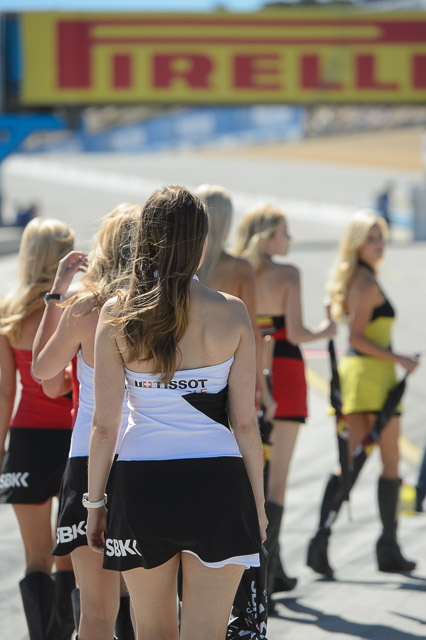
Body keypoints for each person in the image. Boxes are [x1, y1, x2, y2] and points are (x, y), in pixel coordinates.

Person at [85, 186, 266, 640]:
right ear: (202, 243)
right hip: (219, 483)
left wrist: (94, 505)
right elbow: (245, 423)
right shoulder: (232, 312)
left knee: (153, 632)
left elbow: (105, 426)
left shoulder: (118, 312)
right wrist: (259, 507)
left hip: (142, 483)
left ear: (144, 239)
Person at [32, 204, 141, 640]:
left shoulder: (85, 307)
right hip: (148, 456)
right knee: (153, 612)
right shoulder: (164, 307)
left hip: (87, 459)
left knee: (96, 614)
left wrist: (56, 295)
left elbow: (42, 370)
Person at [307, 209, 419, 578]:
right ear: (356, 244)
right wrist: (399, 358)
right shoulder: (365, 282)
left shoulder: (363, 277)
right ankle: (369, 545)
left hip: (372, 378)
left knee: (372, 463)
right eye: (371, 238)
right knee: (369, 463)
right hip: (371, 379)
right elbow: (355, 338)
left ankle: (357, 544)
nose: (379, 243)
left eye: (381, 236)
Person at [233, 203, 336, 603]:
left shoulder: (235, 270)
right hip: (285, 372)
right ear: (267, 236)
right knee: (277, 480)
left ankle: (254, 570)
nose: (290, 239)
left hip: (243, 369)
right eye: (284, 232)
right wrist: (326, 329)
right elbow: (294, 332)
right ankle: (268, 572)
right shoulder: (288, 273)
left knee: (247, 475)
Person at [0, 217, 76, 640]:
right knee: (69, 555)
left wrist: (1, 447)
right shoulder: (76, 305)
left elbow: (3, 392)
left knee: (36, 560)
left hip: (27, 440)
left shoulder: (8, 310)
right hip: (72, 440)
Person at [196, 184, 276, 422]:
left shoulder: (184, 265)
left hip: (186, 372)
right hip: (227, 372)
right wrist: (263, 389)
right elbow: (253, 332)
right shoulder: (239, 268)